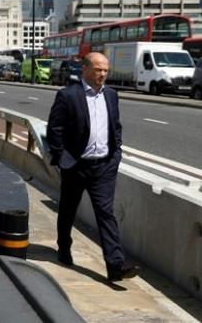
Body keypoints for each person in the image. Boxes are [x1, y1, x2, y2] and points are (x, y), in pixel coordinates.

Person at [46, 52, 139, 282]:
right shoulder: (68, 96)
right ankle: (64, 247)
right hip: (76, 166)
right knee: (68, 209)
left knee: (105, 213)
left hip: (104, 167)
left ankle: (116, 267)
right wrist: (63, 159)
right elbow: (54, 131)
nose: (103, 74)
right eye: (98, 70)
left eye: (106, 70)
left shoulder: (111, 95)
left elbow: (115, 127)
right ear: (85, 69)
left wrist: (116, 154)